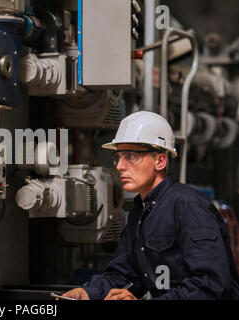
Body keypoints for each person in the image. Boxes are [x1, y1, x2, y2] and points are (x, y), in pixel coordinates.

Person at [63, 111, 239, 300]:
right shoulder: (141, 212)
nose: (120, 166)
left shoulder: (189, 206)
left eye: (130, 156)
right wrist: (88, 293)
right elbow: (126, 276)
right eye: (119, 156)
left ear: (160, 161)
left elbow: (210, 286)